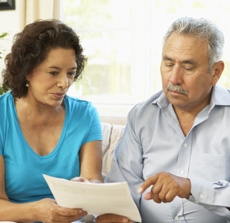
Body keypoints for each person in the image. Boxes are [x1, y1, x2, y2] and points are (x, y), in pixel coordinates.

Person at [97, 17, 230, 223]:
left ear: (216, 72)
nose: (174, 78)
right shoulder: (142, 117)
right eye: (168, 63)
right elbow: (121, 188)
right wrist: (114, 214)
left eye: (188, 67)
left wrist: (191, 187)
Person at [0, 19, 104, 222]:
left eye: (71, 73)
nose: (64, 83)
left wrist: (88, 187)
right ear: (28, 71)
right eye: (54, 72)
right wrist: (36, 211)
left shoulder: (85, 115)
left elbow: (94, 181)